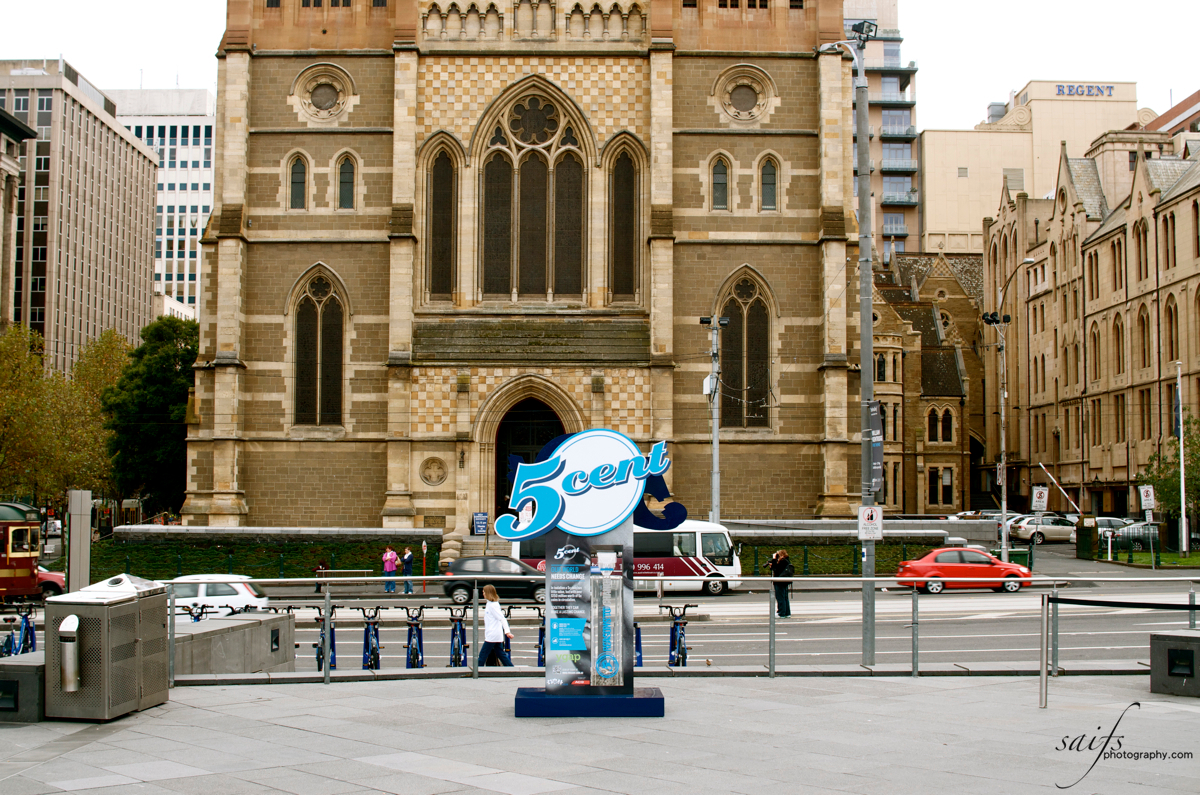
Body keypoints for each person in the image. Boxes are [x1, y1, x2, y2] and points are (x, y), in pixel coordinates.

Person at [477, 584, 514, 667]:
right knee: (500, 654)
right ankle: (511, 669)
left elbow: (502, 619)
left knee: (483, 655)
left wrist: (507, 632)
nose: (483, 594)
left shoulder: (493, 606)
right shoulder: (490, 604)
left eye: (484, 592)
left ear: (488, 593)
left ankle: (477, 670)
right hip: (494, 634)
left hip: (492, 635)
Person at [767, 550, 793, 618]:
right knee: (785, 597)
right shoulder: (786, 561)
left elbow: (776, 569)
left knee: (780, 597)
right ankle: (787, 612)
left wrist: (774, 559)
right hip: (784, 581)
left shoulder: (782, 561)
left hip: (779, 581)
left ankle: (781, 613)